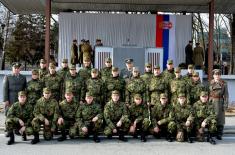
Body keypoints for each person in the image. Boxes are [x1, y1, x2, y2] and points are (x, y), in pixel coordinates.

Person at [209, 69, 229, 140]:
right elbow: (209, 94)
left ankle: (219, 133)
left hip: (220, 102)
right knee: (213, 117)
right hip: (212, 102)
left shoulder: (224, 83)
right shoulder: (211, 83)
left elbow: (226, 95)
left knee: (220, 119)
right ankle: (213, 131)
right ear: (213, 75)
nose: (217, 76)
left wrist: (225, 105)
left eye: (218, 75)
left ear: (220, 75)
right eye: (215, 75)